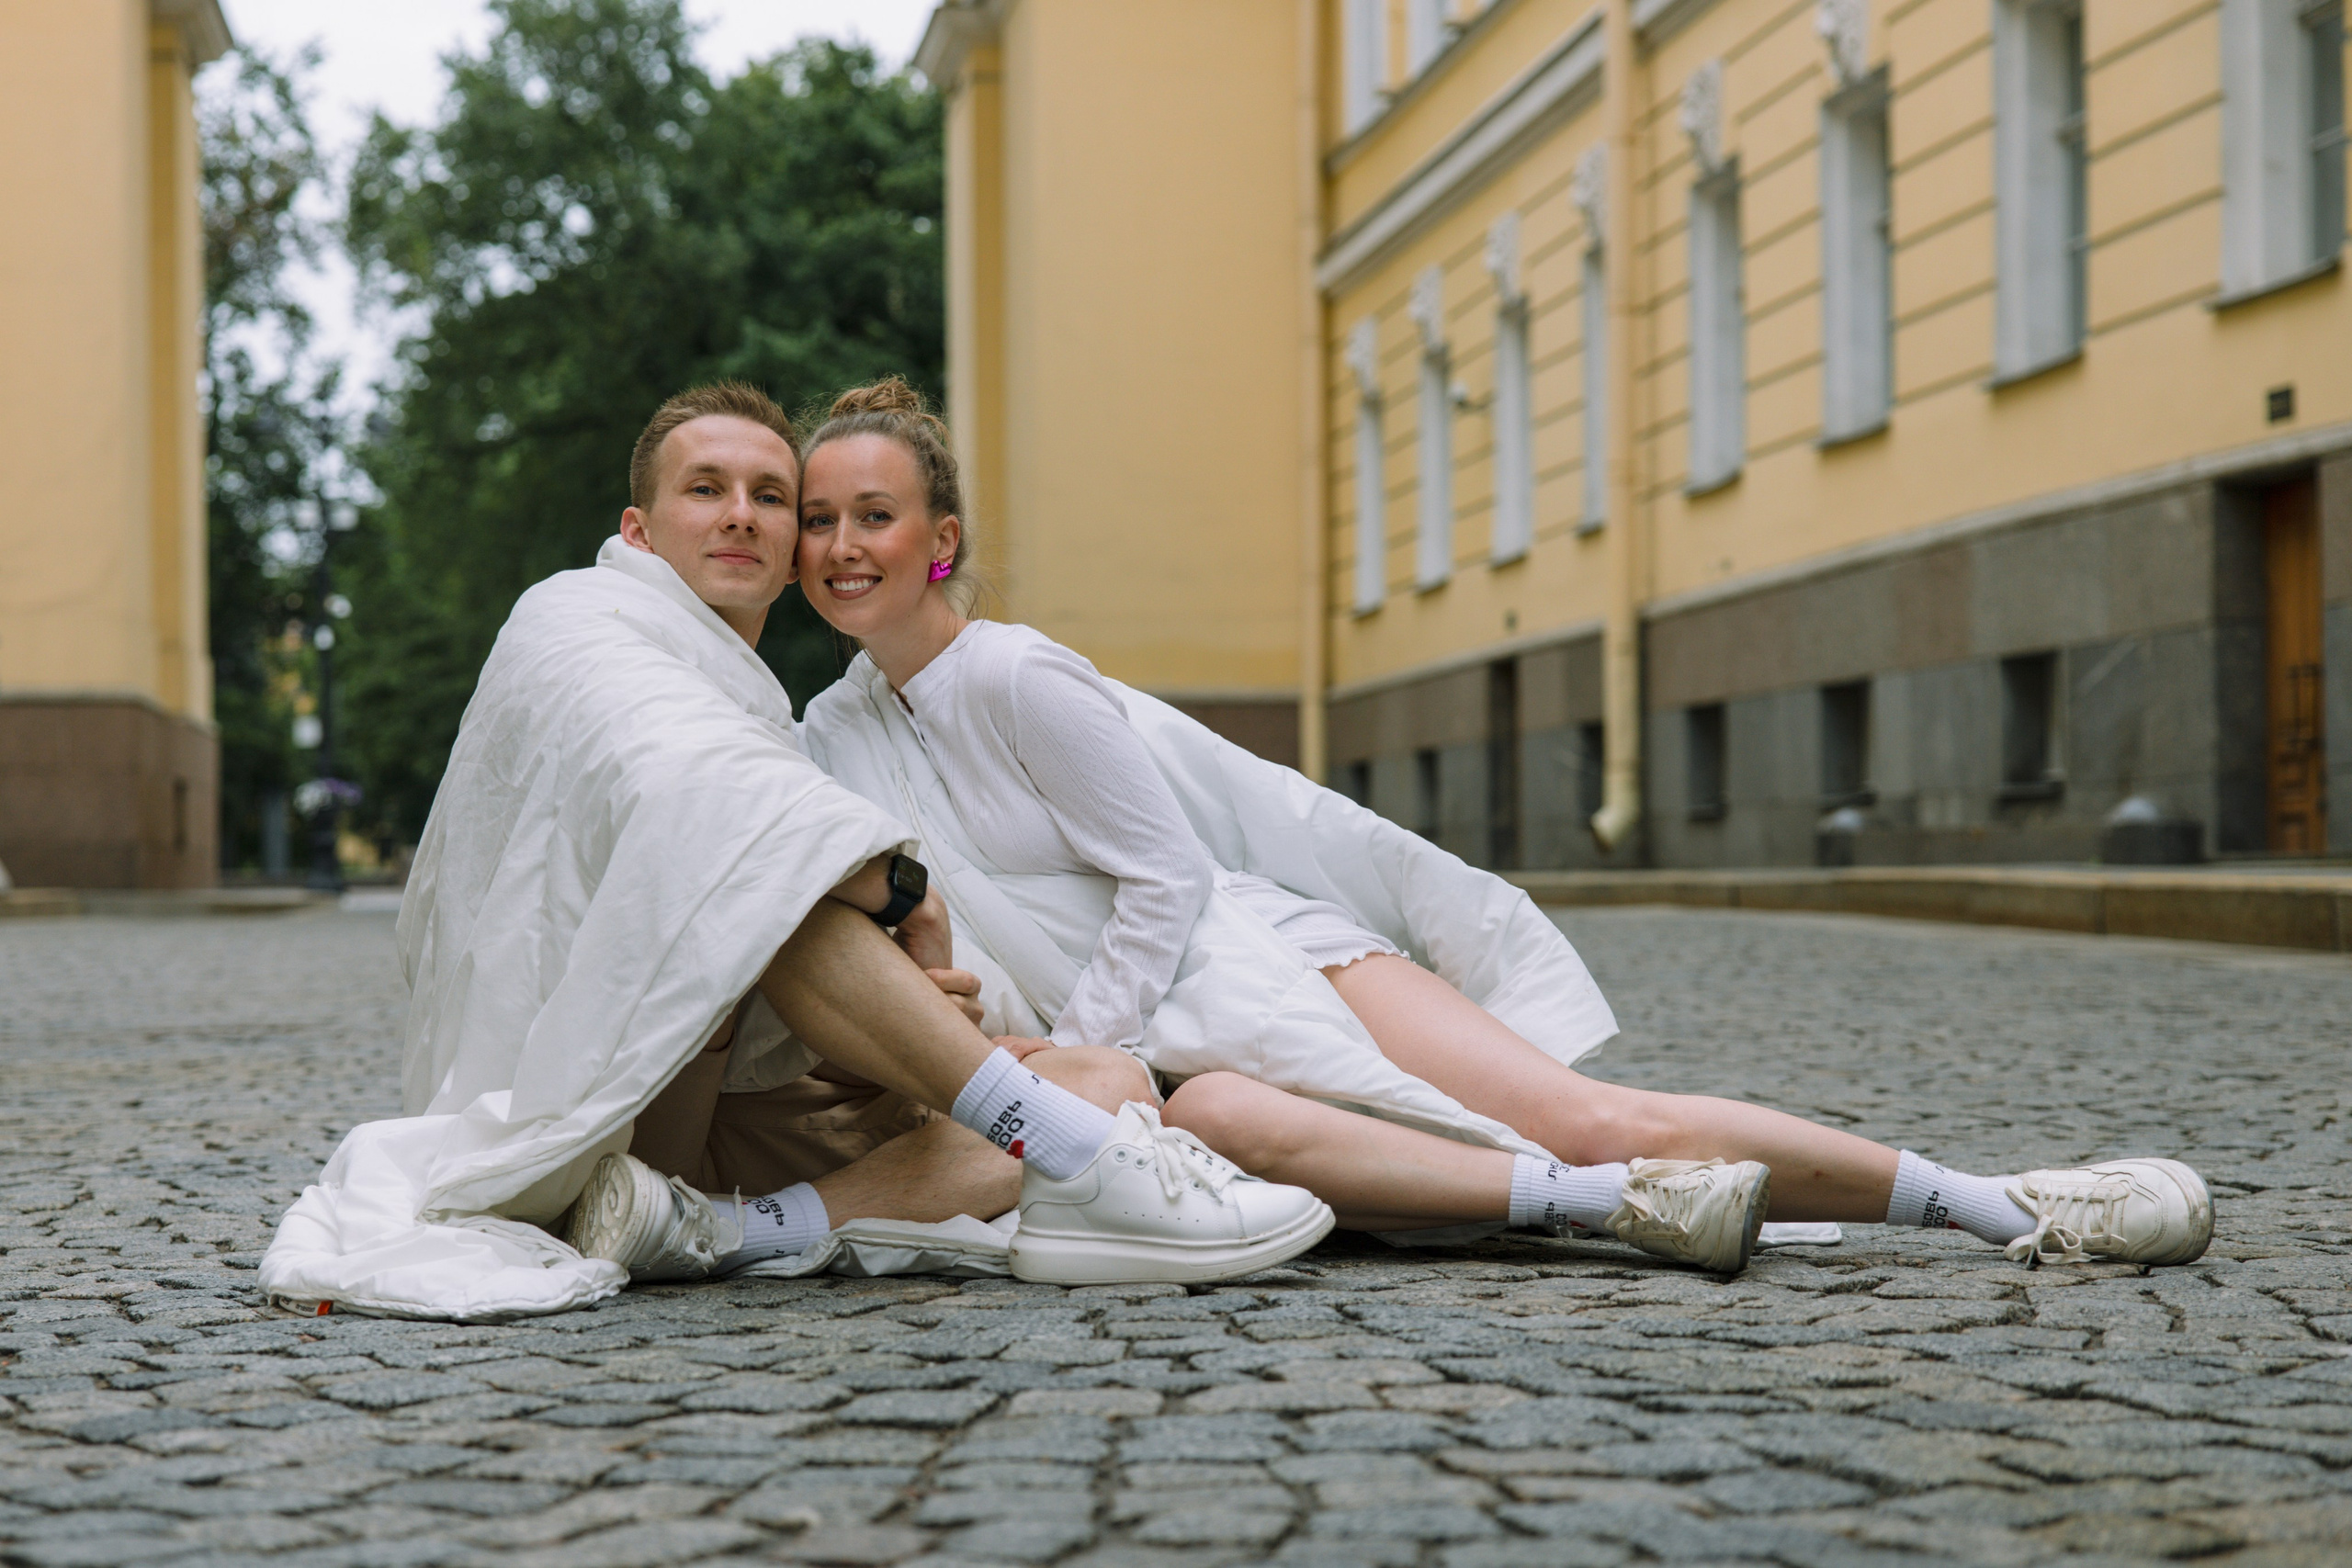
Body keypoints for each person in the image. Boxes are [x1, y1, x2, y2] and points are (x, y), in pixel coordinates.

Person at [794, 378, 2215, 1275]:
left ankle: (1998, 1200)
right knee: (1303, 1144)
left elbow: (1166, 871)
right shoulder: (842, 724)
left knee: (1590, 1113)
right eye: (820, 520)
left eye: (876, 514)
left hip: (1262, 964)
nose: (843, 545)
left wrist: (1092, 1035)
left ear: (943, 538)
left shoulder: (1015, 672)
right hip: (1170, 1058)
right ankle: (1621, 1214)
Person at [258, 383, 1332, 1322]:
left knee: (1100, 1072)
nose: (741, 515)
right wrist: (897, 889)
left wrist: (914, 1010)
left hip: (732, 1135)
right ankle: (1085, 1162)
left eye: (772, 498)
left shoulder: (766, 708)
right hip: (617, 1107)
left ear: (790, 552)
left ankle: (734, 1233)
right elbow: (708, 809)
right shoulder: (577, 618)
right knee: (766, 874)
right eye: (706, 488)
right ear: (637, 530)